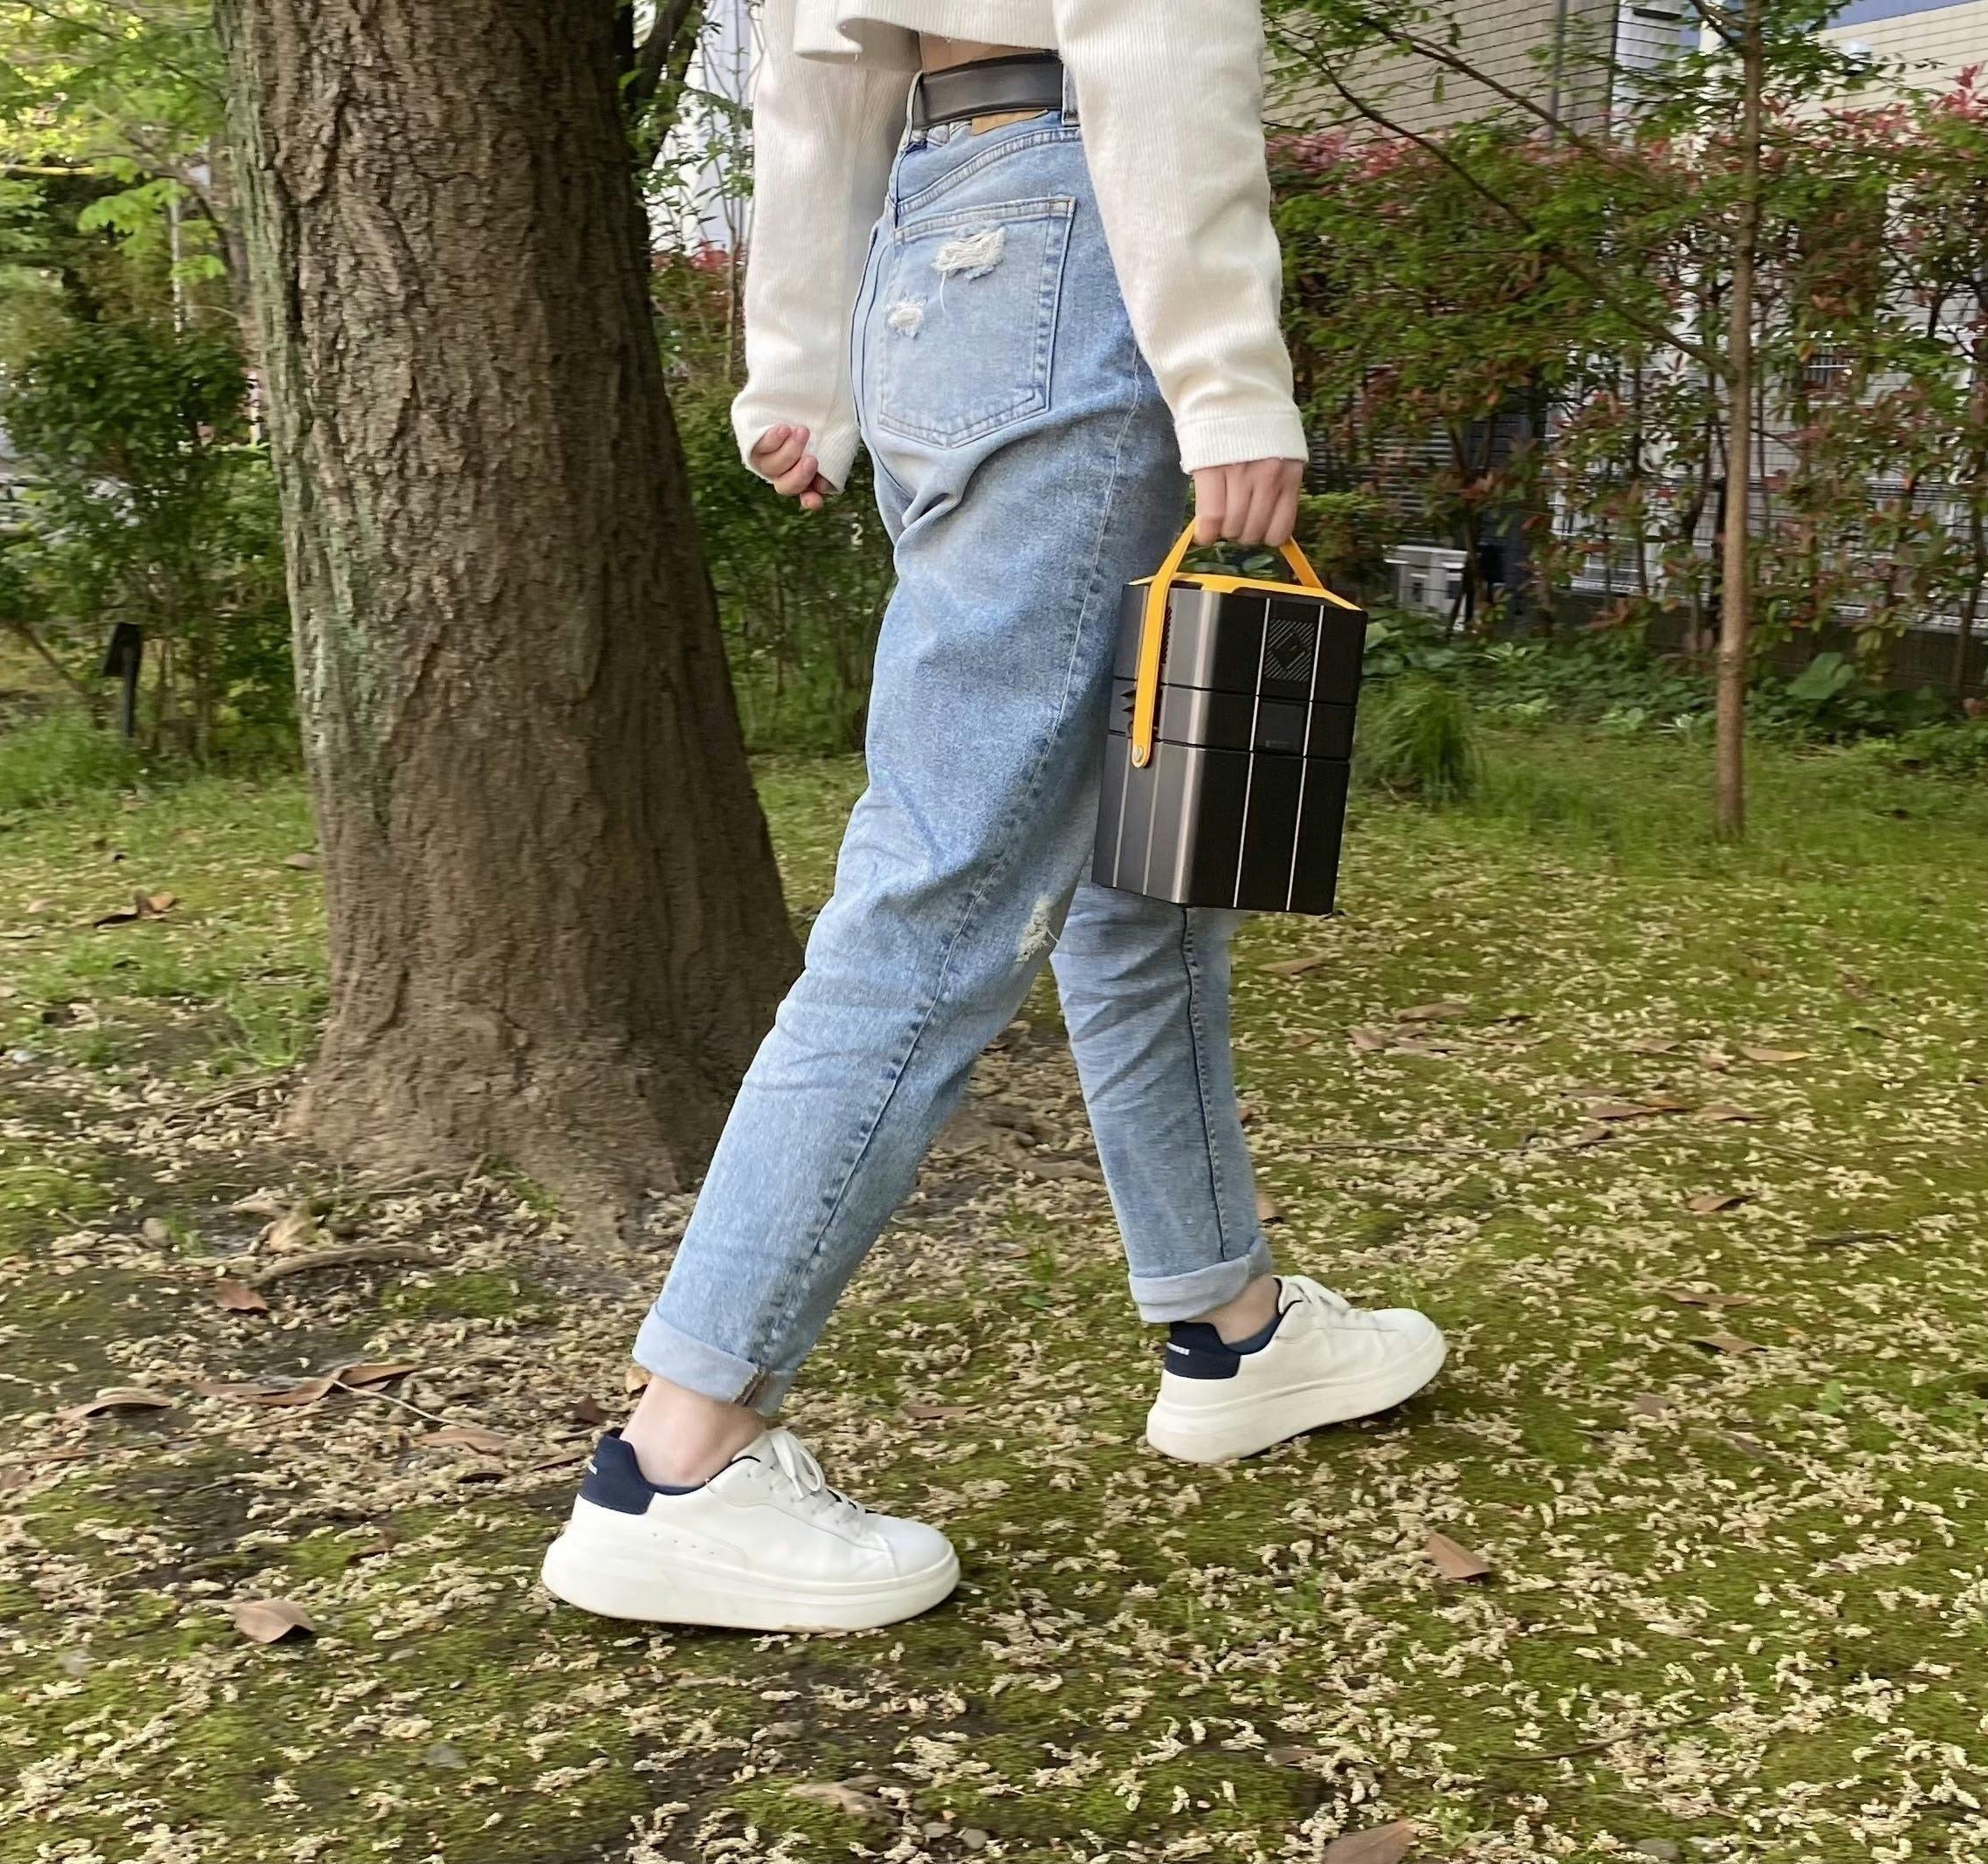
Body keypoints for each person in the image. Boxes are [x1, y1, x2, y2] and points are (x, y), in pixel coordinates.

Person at [538, 0, 1444, 1634]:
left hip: (945, 248)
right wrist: (1230, 377)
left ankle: (1232, 1328)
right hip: (1076, 241)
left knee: (1141, 871)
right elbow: (1154, 28)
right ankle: (677, 1461)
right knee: (944, 886)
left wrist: (799, 362)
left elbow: (815, 69)